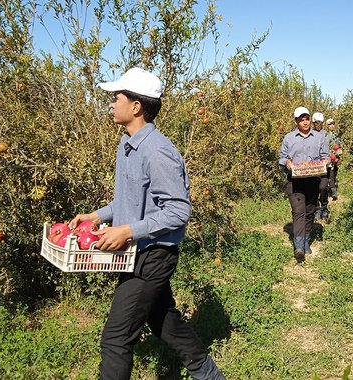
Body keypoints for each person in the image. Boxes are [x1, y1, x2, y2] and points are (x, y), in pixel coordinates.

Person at [69, 67, 225, 380]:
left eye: (117, 98)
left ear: (136, 106)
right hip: (135, 253)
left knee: (116, 337)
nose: (111, 104)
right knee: (163, 320)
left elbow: (178, 211)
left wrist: (127, 231)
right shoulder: (126, 146)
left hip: (152, 255)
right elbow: (128, 201)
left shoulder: (158, 151)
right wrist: (98, 216)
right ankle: (209, 375)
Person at [279, 107, 330, 262]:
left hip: (313, 180)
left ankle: (306, 240)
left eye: (307, 118)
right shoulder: (288, 138)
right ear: (296, 122)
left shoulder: (320, 138)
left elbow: (326, 156)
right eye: (301, 119)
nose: (305, 122)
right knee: (298, 211)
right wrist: (286, 162)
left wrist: (326, 161)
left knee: (309, 212)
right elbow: (282, 158)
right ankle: (299, 246)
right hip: (295, 182)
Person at [311, 112, 330, 221]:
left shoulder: (326, 135)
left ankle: (324, 206)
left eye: (320, 123)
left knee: (323, 187)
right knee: (314, 188)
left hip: (325, 167)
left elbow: (333, 148)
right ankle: (317, 208)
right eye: (316, 123)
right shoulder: (310, 135)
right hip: (313, 167)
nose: (318, 125)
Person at [325, 118, 342, 201]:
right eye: (330, 124)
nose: (332, 126)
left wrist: (338, 156)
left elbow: (339, 146)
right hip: (329, 157)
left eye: (333, 124)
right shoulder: (325, 135)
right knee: (331, 173)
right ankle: (333, 191)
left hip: (335, 157)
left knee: (335, 172)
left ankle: (331, 187)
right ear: (327, 126)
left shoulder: (336, 135)